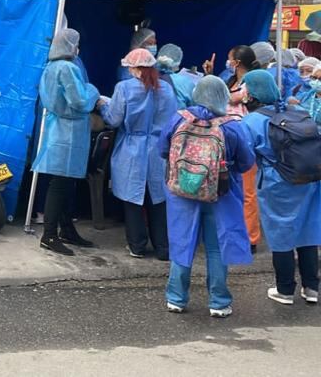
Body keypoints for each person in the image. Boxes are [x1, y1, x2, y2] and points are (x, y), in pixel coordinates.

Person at [161, 76, 255, 318]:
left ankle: (176, 298)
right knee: (216, 248)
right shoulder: (231, 126)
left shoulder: (179, 119)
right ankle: (218, 302)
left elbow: (163, 150)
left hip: (182, 192)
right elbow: (246, 163)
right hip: (220, 194)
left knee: (183, 242)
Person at [241, 70, 321, 305]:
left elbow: (245, 157)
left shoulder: (253, 121)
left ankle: (285, 289)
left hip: (278, 183)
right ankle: (312, 288)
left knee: (281, 233)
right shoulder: (297, 111)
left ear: (253, 92)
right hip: (310, 178)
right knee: (307, 232)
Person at [102, 48, 178, 260]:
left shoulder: (124, 88)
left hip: (131, 149)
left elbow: (114, 119)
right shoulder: (166, 89)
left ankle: (137, 245)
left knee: (133, 198)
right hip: (158, 149)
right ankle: (163, 247)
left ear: (133, 68)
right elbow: (174, 120)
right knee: (158, 197)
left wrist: (102, 106)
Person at [33, 29, 101, 256]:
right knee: (60, 184)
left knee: (64, 183)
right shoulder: (69, 68)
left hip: (57, 130)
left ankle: (66, 230)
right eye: (76, 44)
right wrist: (93, 92)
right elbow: (80, 101)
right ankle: (49, 234)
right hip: (68, 133)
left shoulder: (49, 68)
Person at [222, 45, 263, 252]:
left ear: (236, 62)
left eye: (229, 59)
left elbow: (228, 99)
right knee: (231, 189)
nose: (227, 62)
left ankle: (251, 237)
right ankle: (234, 231)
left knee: (248, 191)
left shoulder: (252, 82)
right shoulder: (232, 81)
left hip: (246, 140)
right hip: (228, 140)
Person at [157, 43, 196, 109]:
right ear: (177, 63)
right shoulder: (185, 82)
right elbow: (195, 107)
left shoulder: (146, 77)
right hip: (177, 118)